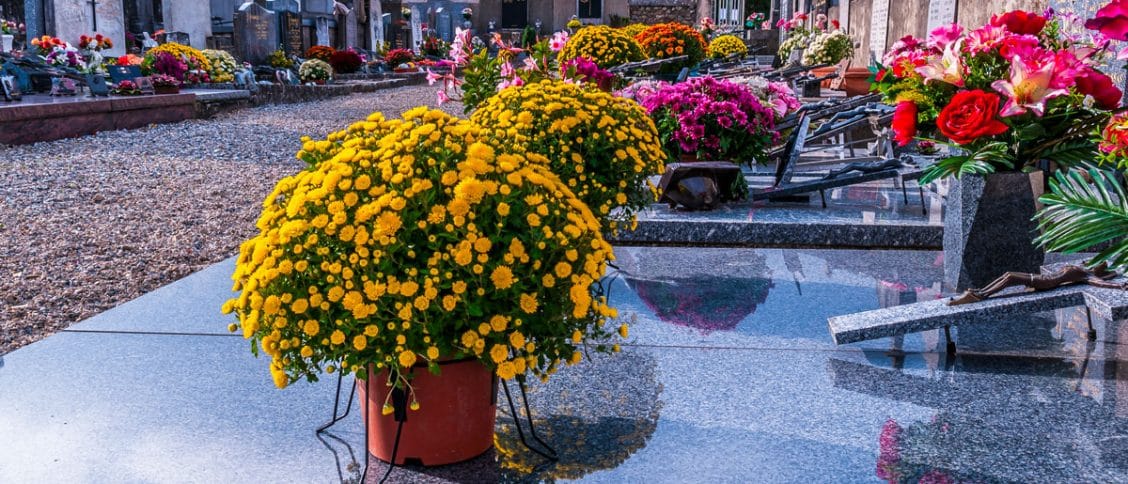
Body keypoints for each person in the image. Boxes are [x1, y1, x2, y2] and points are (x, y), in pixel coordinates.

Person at [949, 262, 1128, 306]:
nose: (1097, 265)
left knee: (1011, 278)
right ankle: (980, 291)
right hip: (1041, 278)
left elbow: (1100, 284)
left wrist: (1119, 286)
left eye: (1100, 266)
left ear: (1099, 271)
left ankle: (982, 295)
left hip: (1046, 283)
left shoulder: (1086, 275)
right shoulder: (1083, 267)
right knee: (1008, 274)